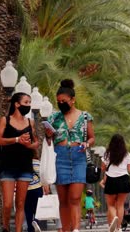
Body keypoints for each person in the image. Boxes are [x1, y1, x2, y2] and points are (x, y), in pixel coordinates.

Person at [44, 79, 95, 232]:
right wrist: (48, 135)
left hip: (78, 156)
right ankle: (66, 229)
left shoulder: (85, 117)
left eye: (64, 101)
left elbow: (92, 137)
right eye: (58, 101)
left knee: (74, 197)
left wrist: (87, 143)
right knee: (63, 200)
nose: (61, 103)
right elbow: (48, 142)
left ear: (73, 100)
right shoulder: (53, 118)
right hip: (60, 157)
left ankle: (76, 230)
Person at [0, 92, 39, 232]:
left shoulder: (30, 122)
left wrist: (28, 145)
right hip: (7, 166)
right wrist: (17, 139)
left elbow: (36, 143)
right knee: (7, 204)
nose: (29, 105)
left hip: (25, 166)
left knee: (20, 203)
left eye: (30, 102)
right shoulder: (5, 120)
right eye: (26, 102)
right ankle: (6, 227)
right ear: (17, 104)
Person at [101, 133, 130, 232]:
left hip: (111, 180)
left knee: (111, 205)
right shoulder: (126, 154)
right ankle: (118, 228)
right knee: (120, 205)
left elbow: (103, 168)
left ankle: (114, 219)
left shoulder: (107, 154)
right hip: (124, 180)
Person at [25, 150, 50, 232]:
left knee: (28, 210)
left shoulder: (23, 163)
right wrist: (46, 186)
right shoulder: (38, 163)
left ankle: (30, 228)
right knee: (38, 209)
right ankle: (35, 221)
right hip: (37, 189)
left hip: (26, 190)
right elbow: (42, 175)